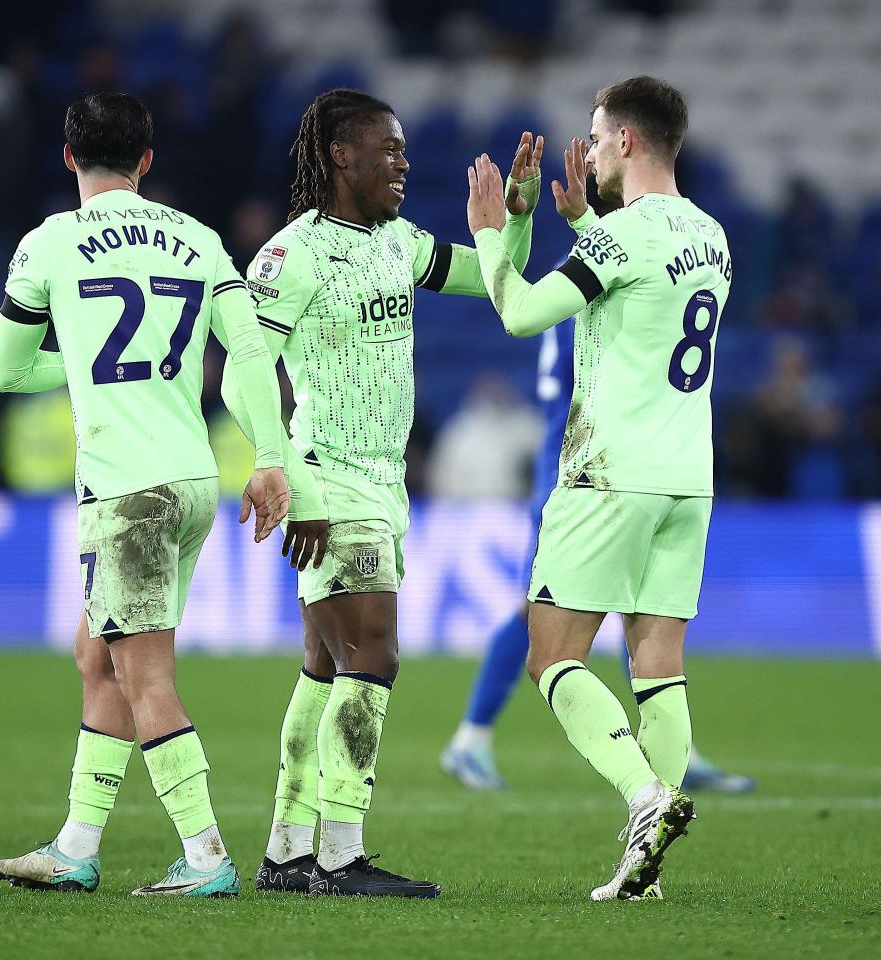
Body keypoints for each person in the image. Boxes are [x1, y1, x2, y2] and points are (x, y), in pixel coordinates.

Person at [0, 92, 292, 898]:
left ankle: (207, 859)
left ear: (67, 156)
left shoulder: (49, 244)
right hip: (192, 478)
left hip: (125, 492)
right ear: (147, 161)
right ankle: (76, 847)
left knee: (144, 676)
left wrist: (84, 366)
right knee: (97, 655)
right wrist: (270, 455)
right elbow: (251, 349)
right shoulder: (197, 238)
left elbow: (6, 370)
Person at [243, 89, 542, 898]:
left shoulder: (399, 242)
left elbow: (491, 281)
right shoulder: (291, 253)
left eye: (406, 152)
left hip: (382, 480)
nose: (404, 166)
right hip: (327, 477)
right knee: (374, 652)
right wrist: (287, 475)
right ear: (341, 156)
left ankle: (286, 850)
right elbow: (243, 368)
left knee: (322, 666)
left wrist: (511, 217)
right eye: (390, 150)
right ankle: (340, 855)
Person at [466, 76, 729, 901]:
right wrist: (582, 219)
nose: (590, 148)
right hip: (688, 479)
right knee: (659, 663)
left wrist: (495, 228)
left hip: (609, 473)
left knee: (553, 654)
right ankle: (646, 868)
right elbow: (640, 302)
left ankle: (646, 797)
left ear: (628, 142)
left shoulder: (626, 237)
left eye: (597, 134)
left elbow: (519, 311)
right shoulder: (714, 236)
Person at [441, 323, 756, 796]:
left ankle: (670, 751)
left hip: (591, 463)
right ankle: (472, 735)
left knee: (623, 607)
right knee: (546, 614)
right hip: (583, 469)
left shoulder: (575, 281)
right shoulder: (597, 279)